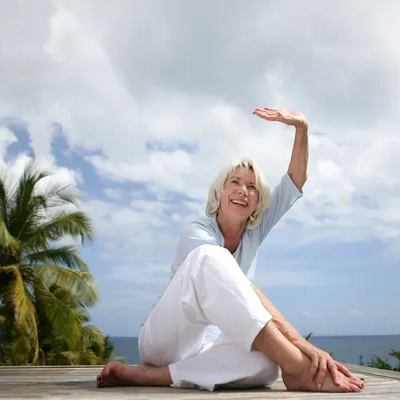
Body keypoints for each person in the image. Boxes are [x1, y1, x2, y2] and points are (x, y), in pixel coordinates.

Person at [96, 108, 366, 393]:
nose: (243, 191)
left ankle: (150, 376)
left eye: (252, 187)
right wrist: (299, 344)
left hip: (209, 347)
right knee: (211, 257)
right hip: (168, 339)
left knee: (265, 365)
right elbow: (242, 286)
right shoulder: (197, 232)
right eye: (235, 182)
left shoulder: (255, 230)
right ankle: (299, 368)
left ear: (257, 201)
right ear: (220, 193)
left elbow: (295, 181)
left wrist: (302, 128)